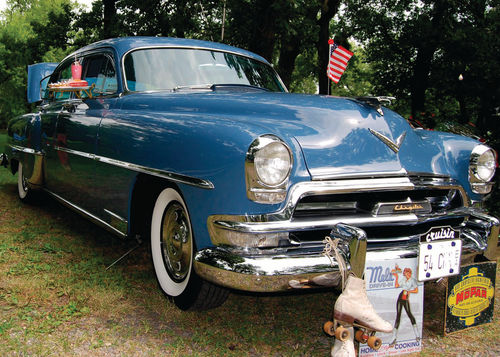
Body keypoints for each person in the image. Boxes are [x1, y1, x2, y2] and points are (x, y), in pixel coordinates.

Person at [390, 265, 420, 346]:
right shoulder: (403, 279)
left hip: (406, 296)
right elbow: (396, 285)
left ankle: (417, 334)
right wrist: (396, 277)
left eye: (408, 273)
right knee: (398, 316)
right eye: (406, 274)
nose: (407, 275)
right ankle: (394, 337)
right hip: (401, 296)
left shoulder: (413, 280)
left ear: (410, 273)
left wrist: (409, 291)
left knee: (409, 314)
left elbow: (416, 290)